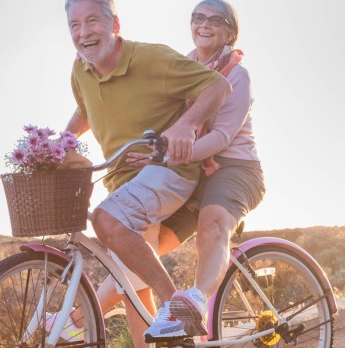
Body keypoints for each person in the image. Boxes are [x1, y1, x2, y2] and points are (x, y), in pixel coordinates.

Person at [49, 0, 231, 346]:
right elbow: (86, 109)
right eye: (75, 25)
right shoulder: (81, 71)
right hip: (124, 183)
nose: (83, 32)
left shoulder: (152, 59)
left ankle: (175, 305)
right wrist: (58, 145)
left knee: (106, 220)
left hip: (168, 172)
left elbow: (218, 87)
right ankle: (168, 326)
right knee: (133, 289)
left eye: (92, 21)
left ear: (114, 24)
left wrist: (185, 127)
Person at [81, 0, 265, 341]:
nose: (204, 25)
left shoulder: (237, 76)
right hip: (190, 170)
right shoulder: (185, 63)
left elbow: (220, 139)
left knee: (212, 226)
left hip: (235, 168)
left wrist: (162, 159)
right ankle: (80, 314)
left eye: (215, 20)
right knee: (138, 250)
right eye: (198, 18)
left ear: (229, 33)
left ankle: (191, 302)